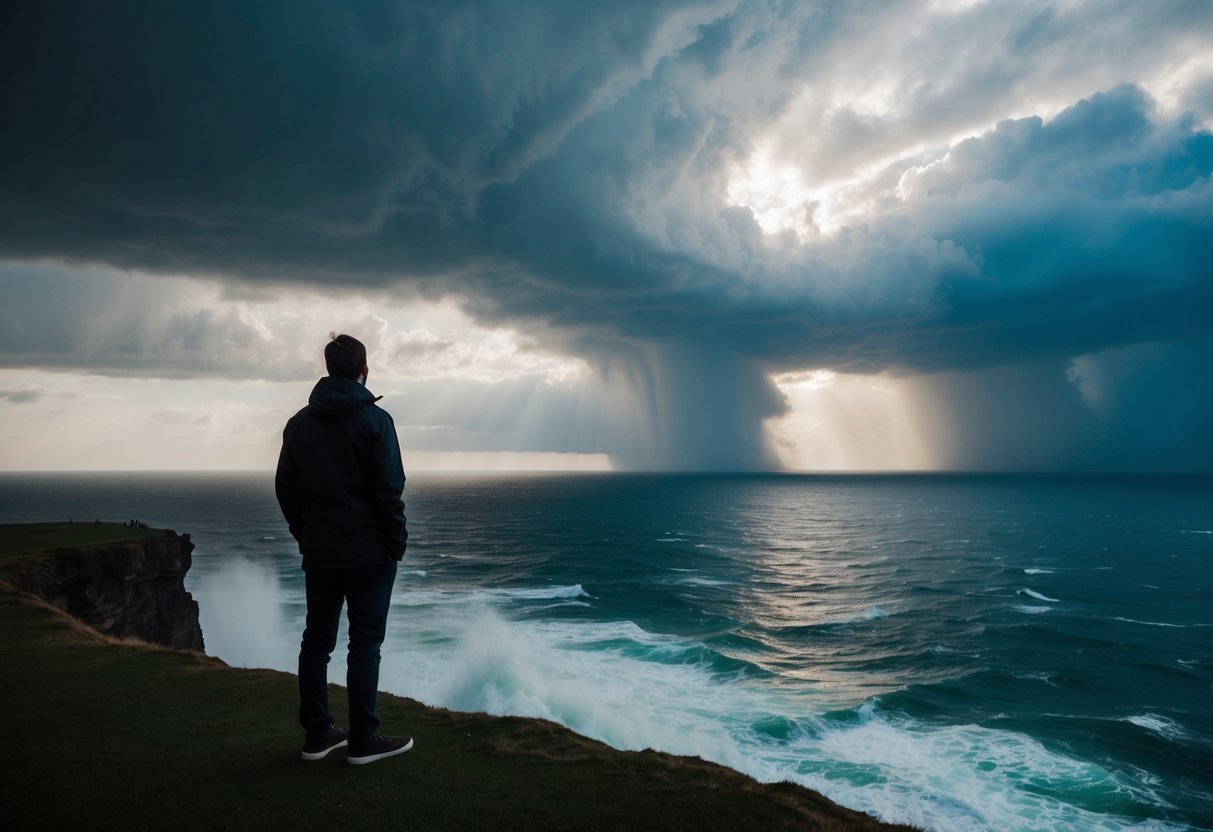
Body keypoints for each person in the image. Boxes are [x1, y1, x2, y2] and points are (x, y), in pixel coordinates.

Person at [275, 333, 412, 765]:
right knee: (364, 644)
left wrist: (305, 533)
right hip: (369, 553)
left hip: (320, 552)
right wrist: (396, 544)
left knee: (317, 641)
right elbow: (390, 490)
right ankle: (363, 740)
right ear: (363, 370)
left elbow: (286, 489)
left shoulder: (299, 424)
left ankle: (318, 735)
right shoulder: (376, 421)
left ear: (328, 369)